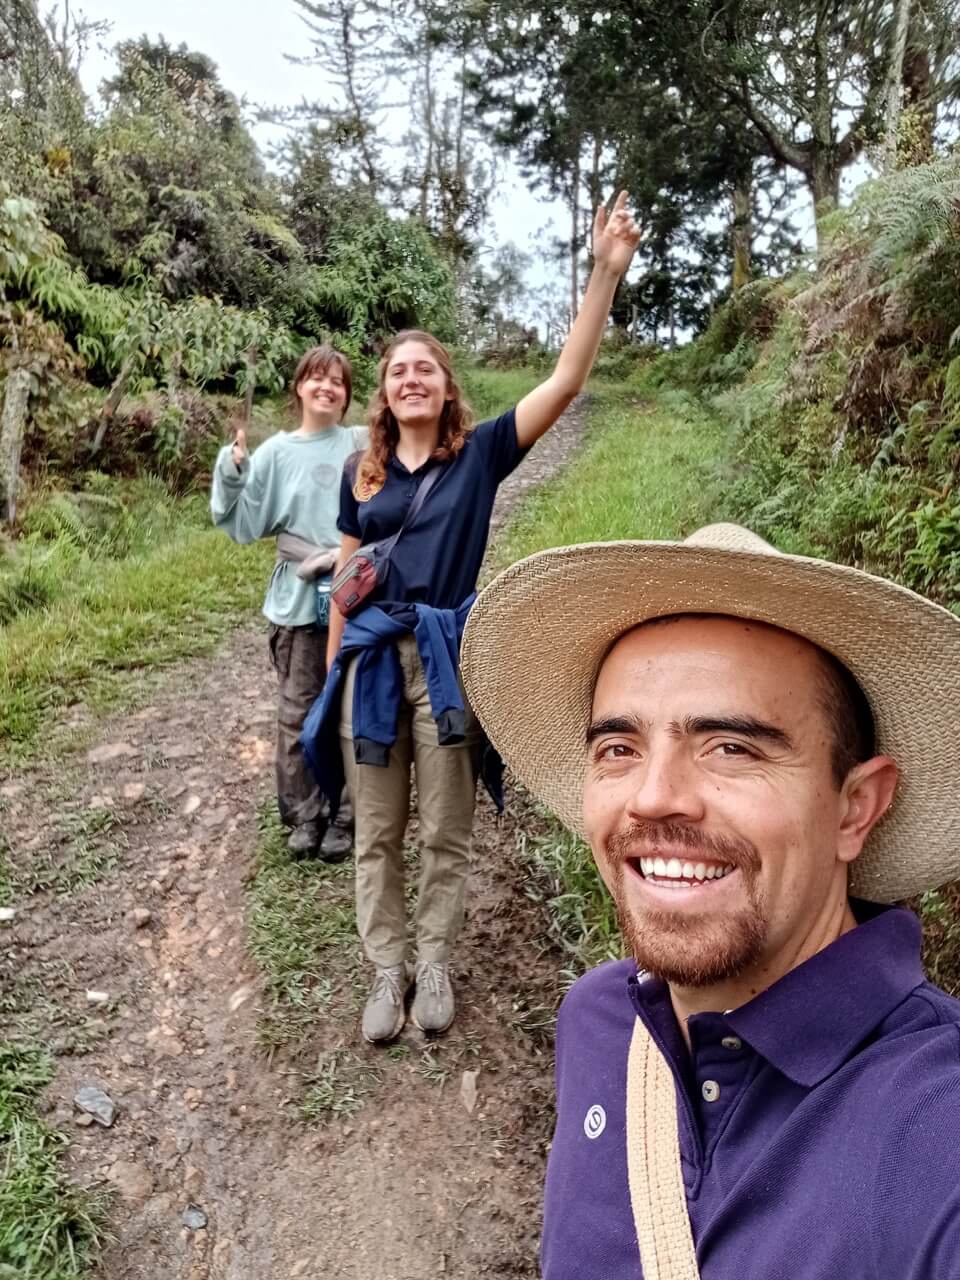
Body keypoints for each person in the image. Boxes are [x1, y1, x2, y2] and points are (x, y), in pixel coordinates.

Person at [460, 522, 960, 1279]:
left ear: (854, 808)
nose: (654, 798)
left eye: (732, 747)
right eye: (618, 750)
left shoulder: (935, 1132)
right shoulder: (598, 1020)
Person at [303, 192, 642, 1044]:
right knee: (378, 828)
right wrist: (335, 666)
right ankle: (387, 968)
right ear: (382, 395)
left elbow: (567, 379)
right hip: (373, 665)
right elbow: (346, 576)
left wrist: (603, 272)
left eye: (425, 367)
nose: (410, 378)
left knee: (445, 827)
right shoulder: (363, 474)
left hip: (450, 659)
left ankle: (435, 958)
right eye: (396, 371)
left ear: (447, 386)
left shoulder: (481, 455)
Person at [211, 345, 365, 861]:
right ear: (299, 386)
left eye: (338, 382)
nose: (327, 388)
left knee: (354, 708)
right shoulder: (275, 452)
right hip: (300, 600)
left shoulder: (361, 442)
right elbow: (245, 520)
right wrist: (232, 471)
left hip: (358, 595)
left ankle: (347, 815)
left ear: (346, 396)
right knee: (298, 711)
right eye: (317, 378)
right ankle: (304, 813)